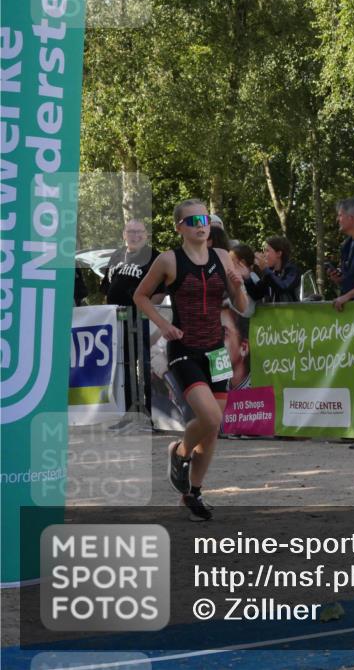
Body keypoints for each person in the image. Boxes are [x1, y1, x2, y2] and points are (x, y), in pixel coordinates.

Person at [134, 199, 248, 521]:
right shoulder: (169, 260)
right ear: (179, 227)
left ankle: (193, 493)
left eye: (206, 219)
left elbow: (242, 304)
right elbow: (140, 296)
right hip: (185, 349)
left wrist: (238, 288)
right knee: (210, 417)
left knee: (213, 430)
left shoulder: (222, 257)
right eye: (194, 219)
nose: (202, 224)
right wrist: (165, 325)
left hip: (216, 350)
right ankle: (180, 452)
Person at [101, 219, 163, 415]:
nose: (135, 236)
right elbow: (106, 288)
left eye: (139, 232)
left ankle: (149, 412)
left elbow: (160, 291)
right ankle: (129, 412)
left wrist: (147, 314)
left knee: (145, 365)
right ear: (123, 234)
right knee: (124, 366)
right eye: (131, 232)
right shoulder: (117, 255)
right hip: (118, 322)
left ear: (146, 235)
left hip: (141, 320)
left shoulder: (154, 257)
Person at [246, 236, 301, 303]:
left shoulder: (292, 270)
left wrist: (265, 269)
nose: (264, 254)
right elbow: (257, 295)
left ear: (278, 254)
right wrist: (248, 274)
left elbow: (283, 287)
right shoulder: (270, 272)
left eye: (267, 251)